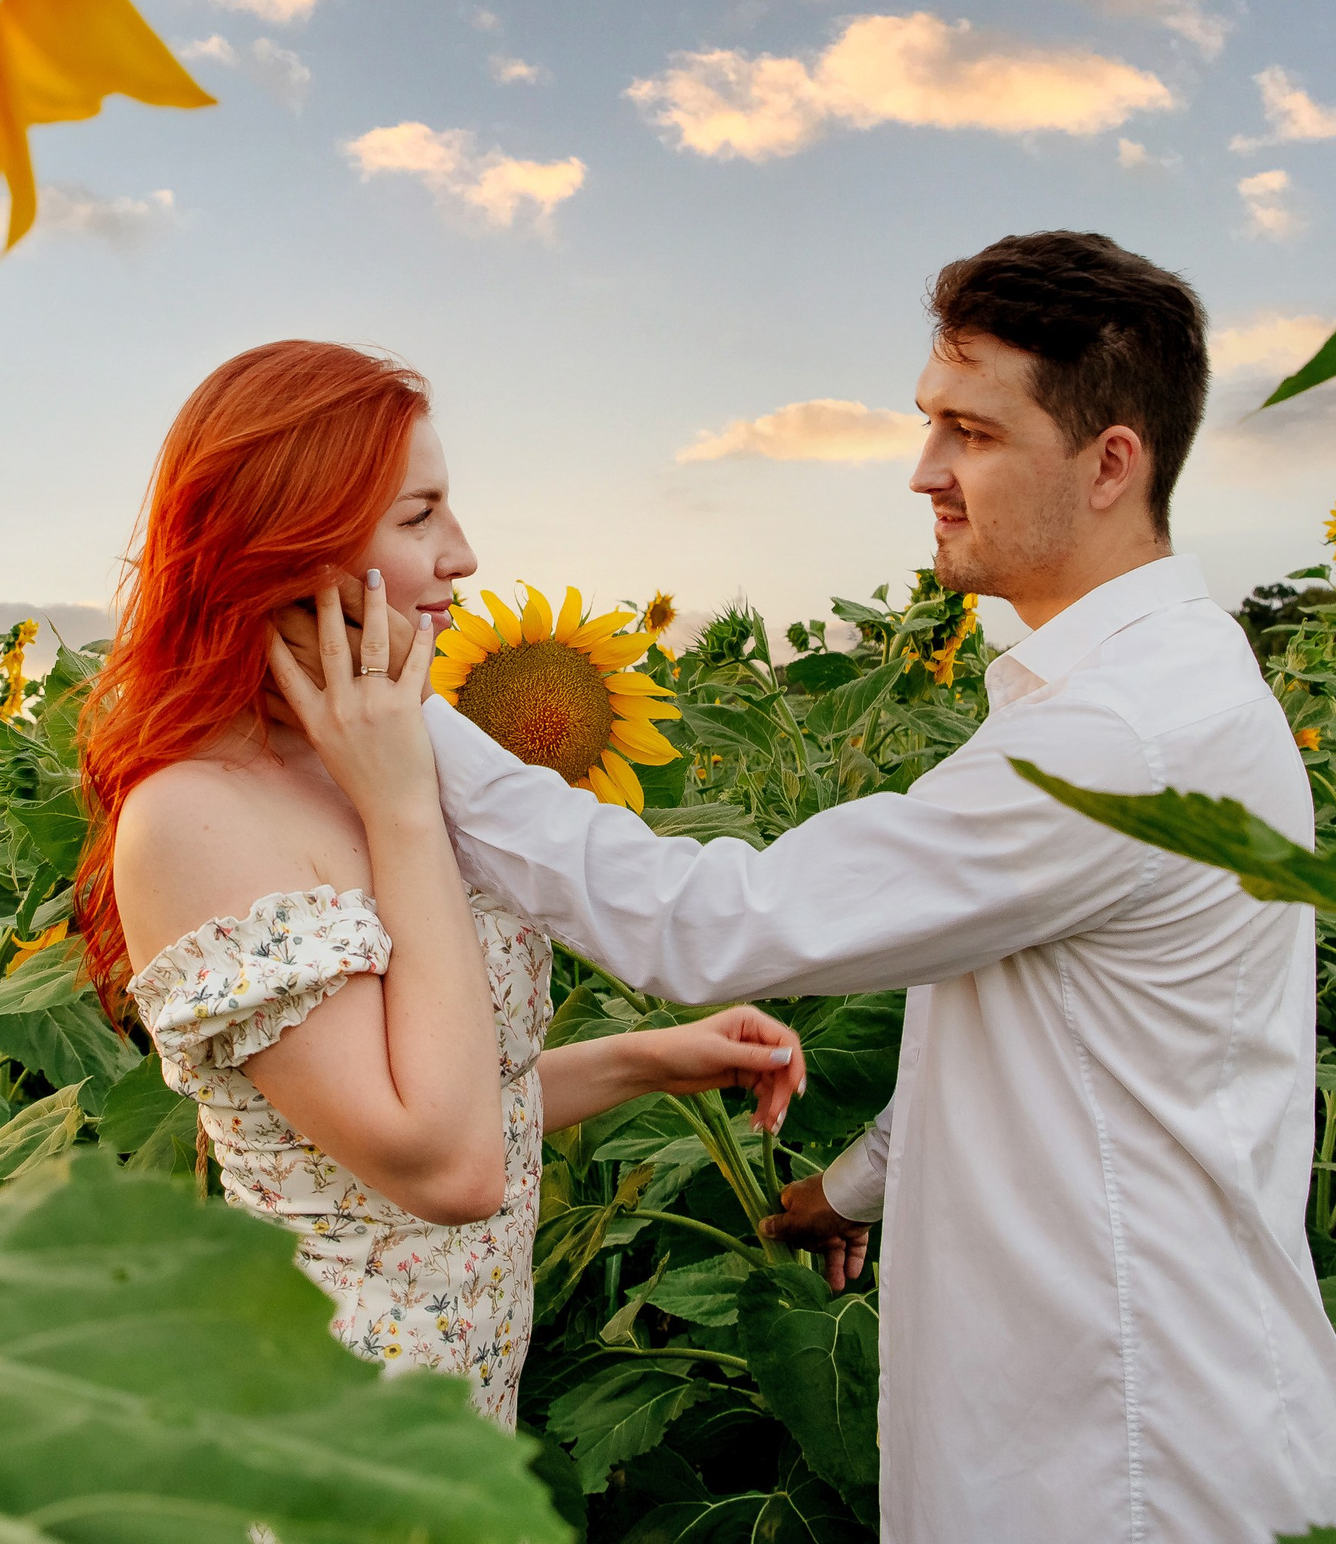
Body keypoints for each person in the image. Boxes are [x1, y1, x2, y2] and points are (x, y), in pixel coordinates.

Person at [277, 235, 1336, 1538]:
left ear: (1109, 463)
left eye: (969, 431)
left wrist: (408, 715)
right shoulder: (1136, 692)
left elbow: (710, 923)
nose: (925, 473)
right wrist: (845, 1189)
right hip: (1137, 1412)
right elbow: (1071, 1027)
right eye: (929, 424)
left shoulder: (1119, 737)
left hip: (1131, 1460)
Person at [79, 338, 810, 1427]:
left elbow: (462, 1093)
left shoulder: (367, 751)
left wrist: (650, 1060)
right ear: (291, 540)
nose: (462, 555)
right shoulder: (195, 814)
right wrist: (403, 809)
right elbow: (448, 1168)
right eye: (418, 517)